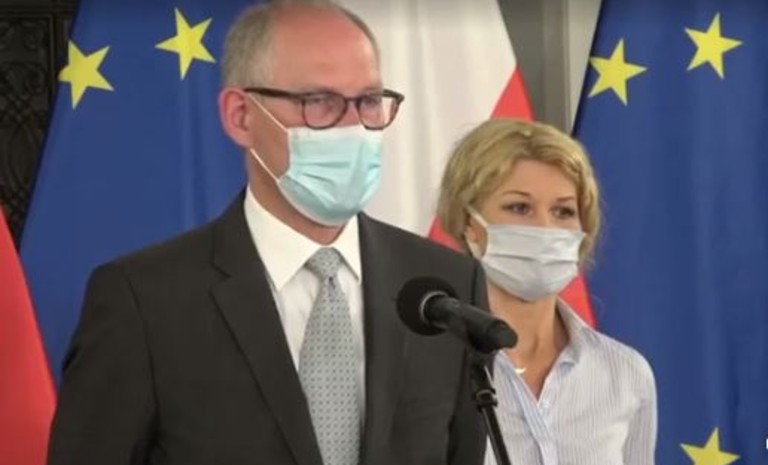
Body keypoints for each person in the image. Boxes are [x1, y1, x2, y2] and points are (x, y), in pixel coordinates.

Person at [47, 2, 487, 465]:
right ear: (241, 116)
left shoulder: (445, 287)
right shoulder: (144, 302)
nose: (354, 127)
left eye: (369, 101)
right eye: (320, 102)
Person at [437, 118, 657, 465]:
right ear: (470, 223)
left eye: (563, 211)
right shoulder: (425, 366)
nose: (545, 227)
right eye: (519, 207)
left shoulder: (624, 373)